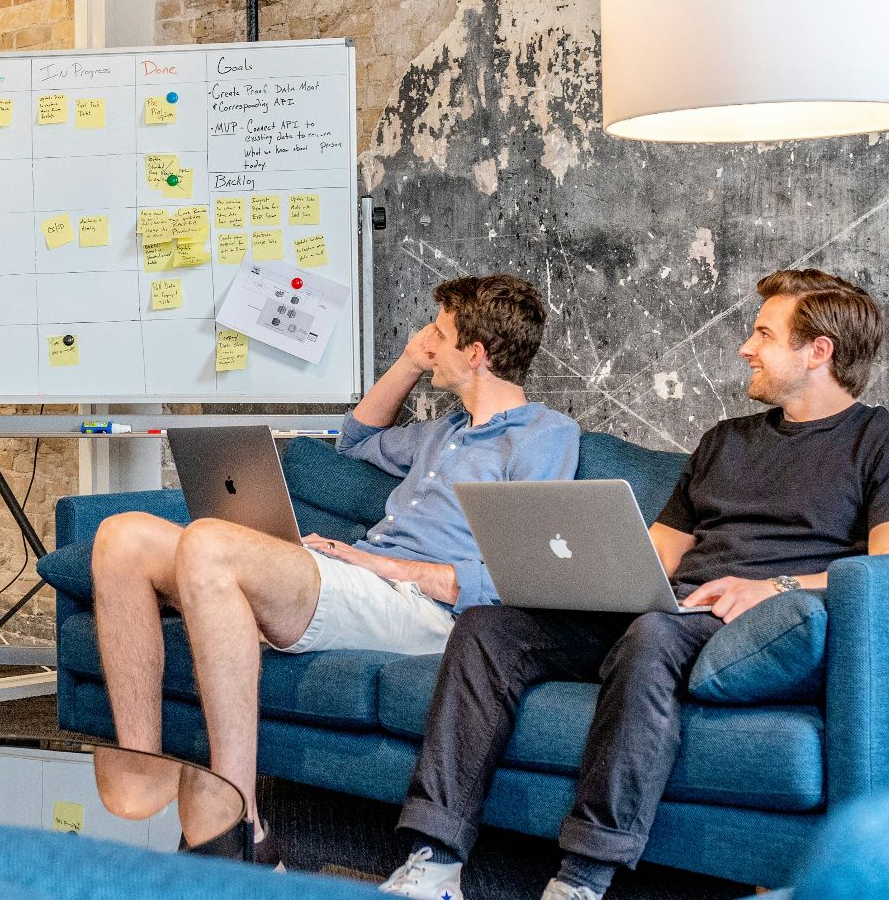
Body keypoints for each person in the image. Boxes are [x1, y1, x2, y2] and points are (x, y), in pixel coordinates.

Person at [378, 268, 889, 900]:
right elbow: (655, 552)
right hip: (677, 611)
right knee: (491, 627)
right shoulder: (725, 441)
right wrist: (575, 575)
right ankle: (432, 861)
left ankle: (580, 879)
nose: (745, 347)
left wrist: (773, 588)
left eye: (763, 333)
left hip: (760, 626)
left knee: (653, 633)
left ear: (819, 352)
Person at [90, 274, 581, 854]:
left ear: (475, 354)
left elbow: (520, 577)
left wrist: (384, 566)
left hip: (423, 610)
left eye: (439, 334)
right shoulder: (442, 433)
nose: (427, 339)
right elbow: (354, 439)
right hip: (363, 582)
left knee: (209, 544)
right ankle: (143, 762)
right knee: (121, 537)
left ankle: (240, 819)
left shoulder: (544, 437)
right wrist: (406, 363)